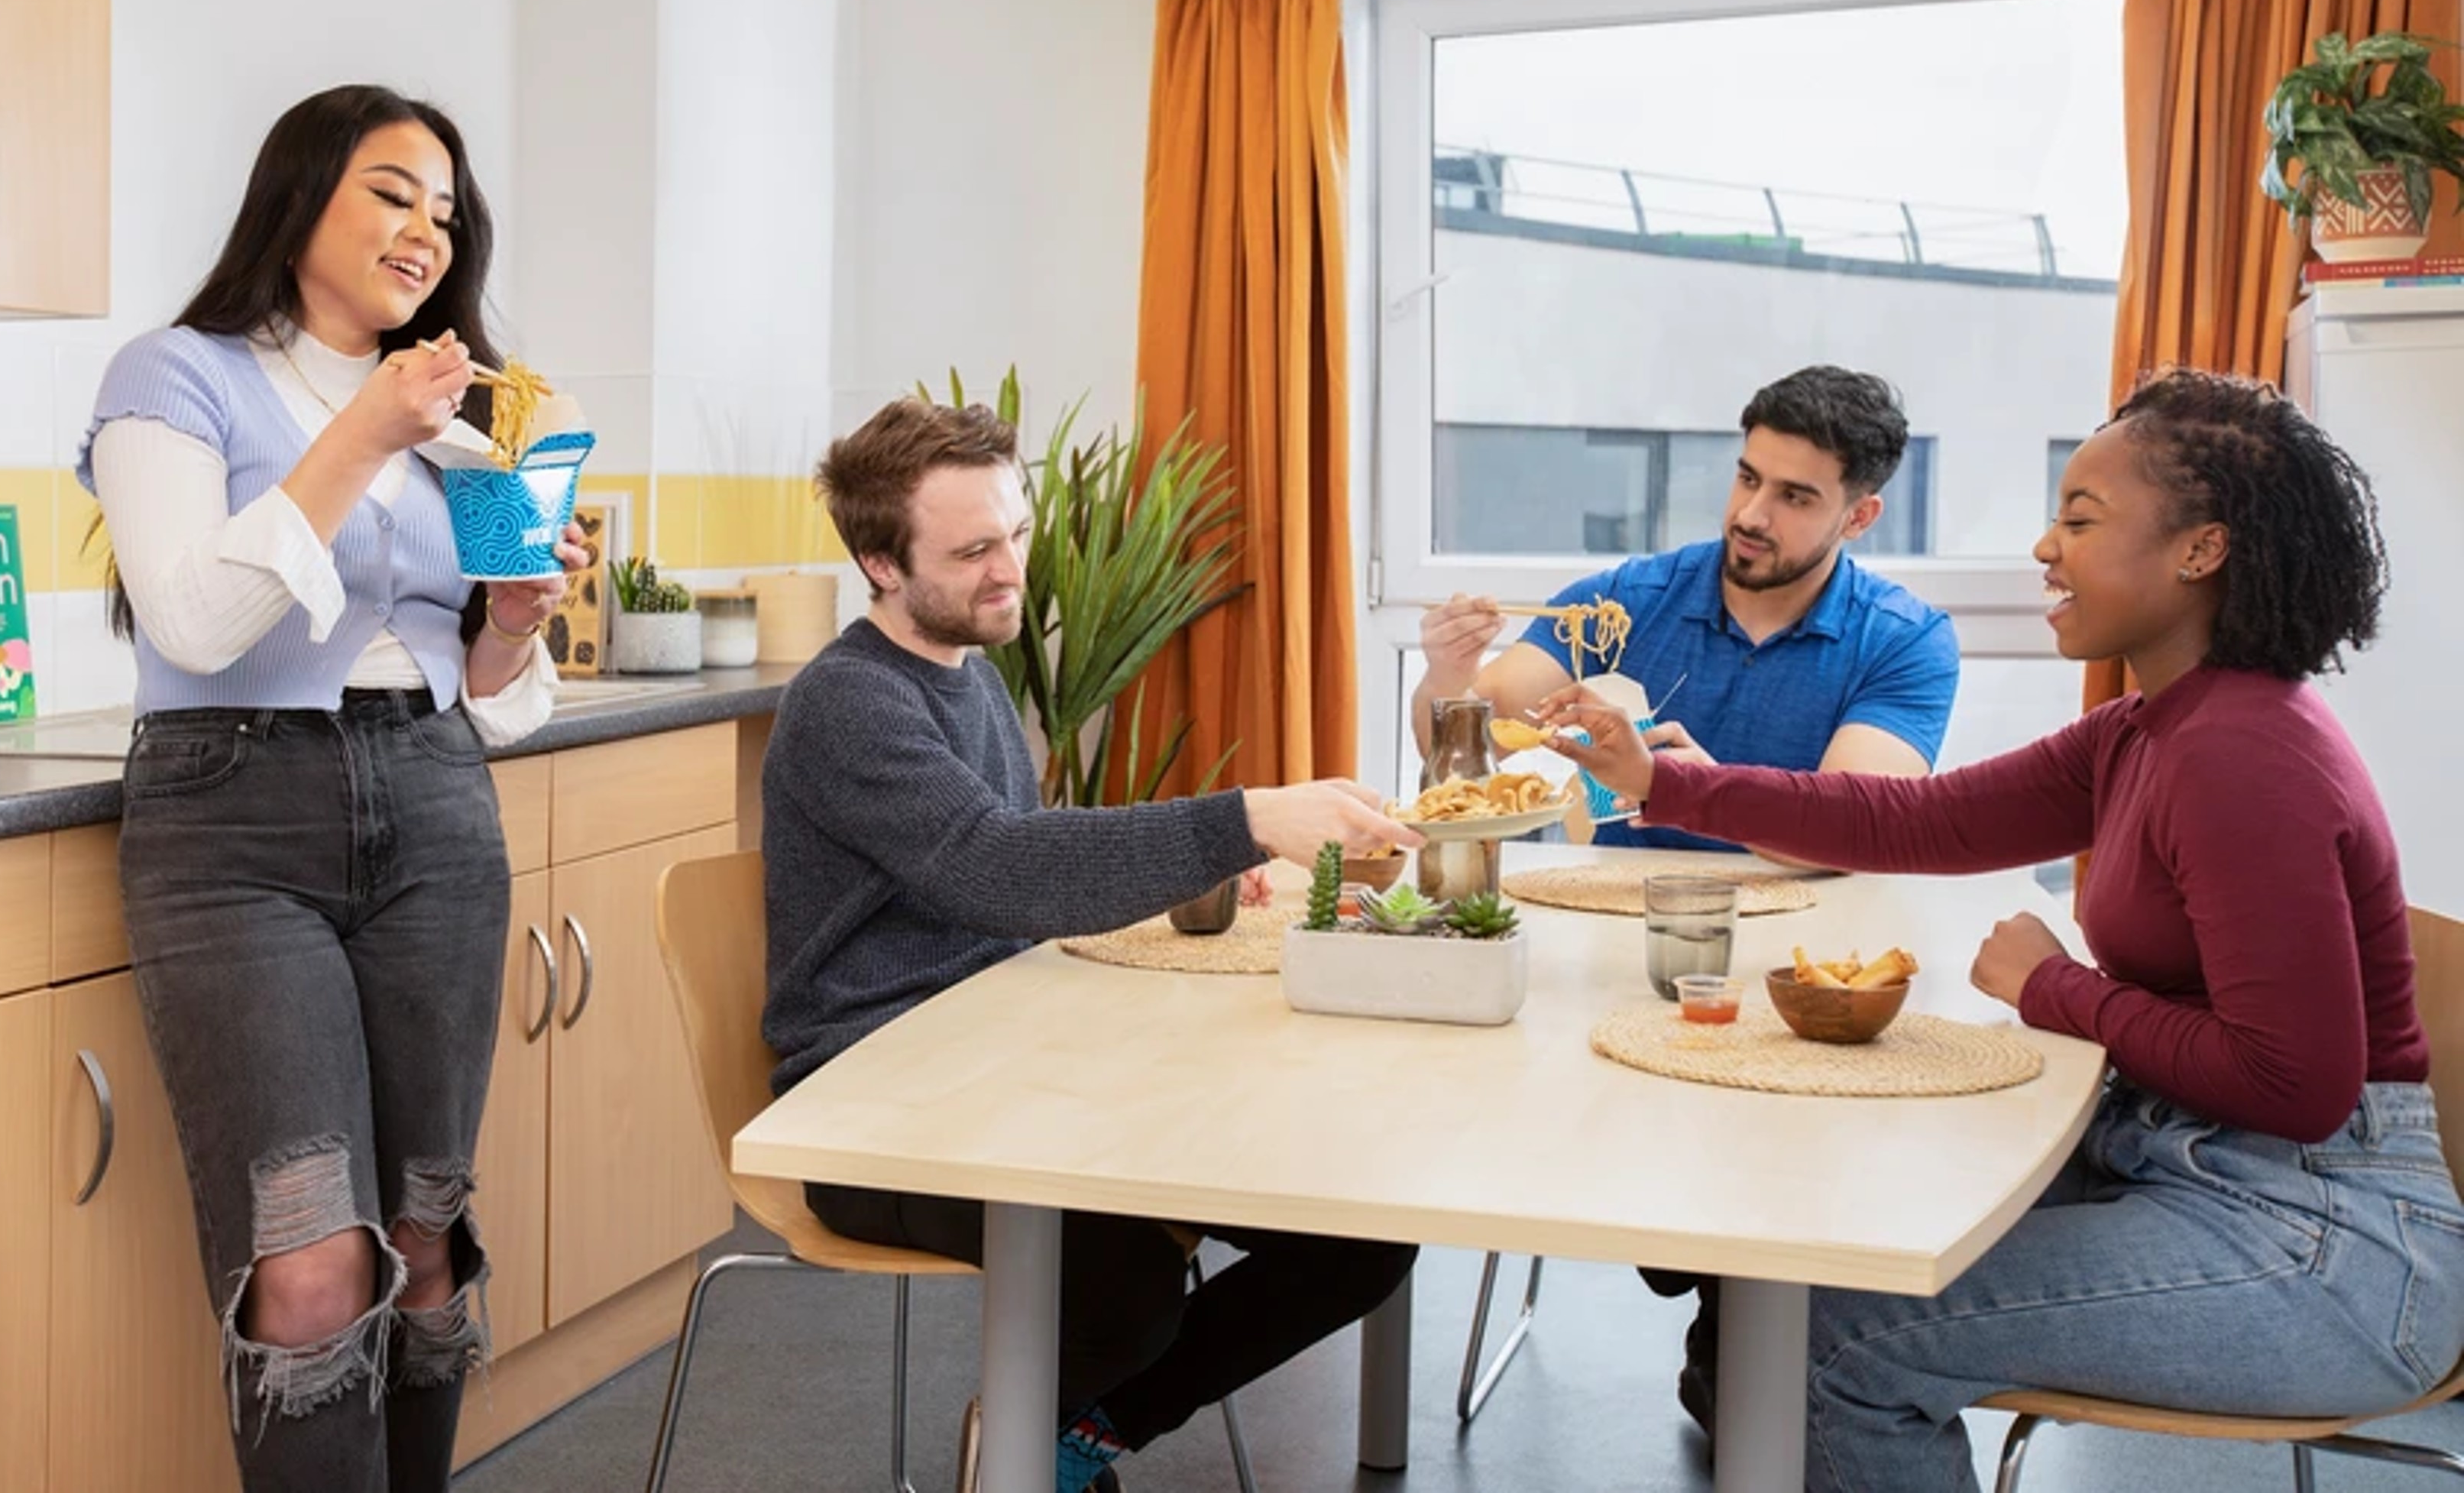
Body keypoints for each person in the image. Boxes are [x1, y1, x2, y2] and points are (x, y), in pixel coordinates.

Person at [1542, 368, 2464, 1493]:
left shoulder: (2241, 756)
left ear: (2200, 551)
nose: (2044, 546)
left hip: (2326, 1242)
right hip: (2192, 1164)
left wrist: (2055, 987)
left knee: (1838, 1341)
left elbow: (2297, 1084)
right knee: (1819, 1246)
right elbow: (1920, 819)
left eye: (2081, 519)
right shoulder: (2149, 728)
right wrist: (1666, 782)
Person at [763, 396, 1423, 1493]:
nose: (1010, 570)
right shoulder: (848, 702)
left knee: (1357, 1237)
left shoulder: (969, 674)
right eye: (972, 550)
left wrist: (1197, 868)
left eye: (1016, 533)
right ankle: (1022, 1450)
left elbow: (1017, 867)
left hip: (995, 1063)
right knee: (1119, 1276)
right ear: (880, 562)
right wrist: (1246, 818)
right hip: (866, 1105)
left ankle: (1068, 1435)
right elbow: (996, 865)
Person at [78, 84, 585, 1493]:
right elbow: (191, 621)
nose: (427, 230)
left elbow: (491, 693)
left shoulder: (471, 421)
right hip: (233, 823)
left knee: (424, 1242)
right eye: (392, 193)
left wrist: (516, 617)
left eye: (447, 212)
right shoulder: (174, 376)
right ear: (298, 198)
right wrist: (368, 429)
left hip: (434, 806)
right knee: (309, 1272)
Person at [1412, 364, 1961, 852]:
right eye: (1748, 478)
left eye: (1794, 497)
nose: (1750, 515)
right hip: (1619, 910)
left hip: (1813, 927)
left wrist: (1696, 791)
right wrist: (1447, 675)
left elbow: (1855, 829)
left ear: (1859, 517)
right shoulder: (1625, 601)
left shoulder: (1904, 642)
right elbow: (1464, 746)